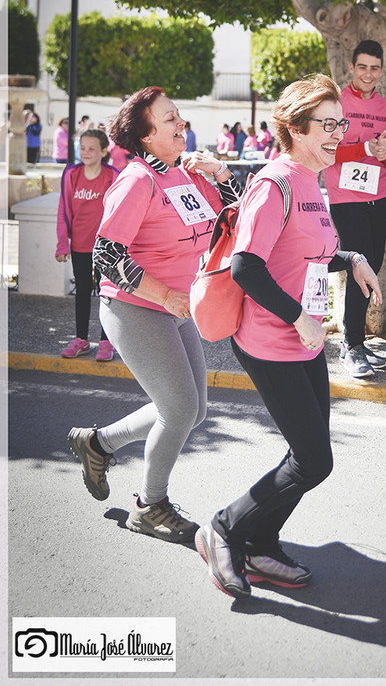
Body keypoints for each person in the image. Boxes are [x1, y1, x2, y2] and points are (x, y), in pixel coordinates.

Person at [195, 74, 382, 598]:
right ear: (297, 129)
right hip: (269, 342)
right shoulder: (274, 183)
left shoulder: (311, 181)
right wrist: (299, 316)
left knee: (308, 455)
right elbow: (246, 267)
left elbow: (310, 253)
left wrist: (354, 258)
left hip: (305, 340)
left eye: (341, 124)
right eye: (328, 125)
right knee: (314, 460)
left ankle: (261, 544)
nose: (339, 134)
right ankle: (224, 529)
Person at [67, 87, 242, 542]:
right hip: (135, 308)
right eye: (169, 119)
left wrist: (221, 172)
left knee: (193, 411)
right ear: (146, 136)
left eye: (179, 116)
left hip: (178, 307)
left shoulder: (187, 174)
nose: (181, 123)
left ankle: (98, 444)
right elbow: (106, 255)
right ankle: (150, 506)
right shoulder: (136, 181)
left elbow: (237, 218)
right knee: (180, 409)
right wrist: (165, 296)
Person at [322, 40, 386, 378]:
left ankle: (356, 342)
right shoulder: (335, 103)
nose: (368, 74)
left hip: (379, 196)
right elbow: (327, 149)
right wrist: (366, 148)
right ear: (352, 68)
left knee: (374, 266)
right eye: (362, 67)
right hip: (346, 198)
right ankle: (351, 344)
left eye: (374, 68)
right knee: (359, 265)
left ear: (381, 71)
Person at [56, 129, 120, 361]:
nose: (86, 152)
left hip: (107, 247)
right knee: (82, 291)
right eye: (82, 148)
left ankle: (106, 341)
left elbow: (123, 211)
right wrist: (62, 244)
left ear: (103, 152)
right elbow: (64, 210)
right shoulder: (71, 175)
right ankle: (81, 340)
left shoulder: (114, 176)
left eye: (92, 148)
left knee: (107, 294)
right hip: (80, 244)